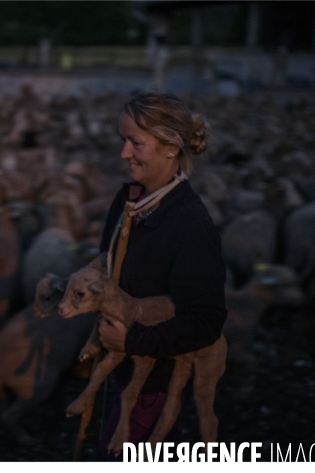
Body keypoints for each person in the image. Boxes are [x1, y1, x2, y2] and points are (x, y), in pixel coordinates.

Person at [94, 92, 227, 460]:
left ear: (171, 148)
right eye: (123, 140)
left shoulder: (190, 225)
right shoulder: (129, 202)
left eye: (135, 143)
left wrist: (133, 341)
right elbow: (107, 268)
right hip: (121, 374)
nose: (123, 154)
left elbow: (204, 321)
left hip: (152, 384)